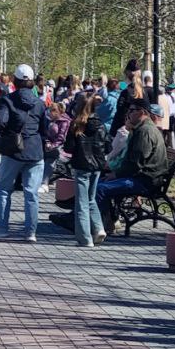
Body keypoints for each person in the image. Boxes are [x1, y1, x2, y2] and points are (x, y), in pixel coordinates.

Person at [0, 63, 50, 241]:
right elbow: (44, 128)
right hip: (35, 151)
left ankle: (2, 228)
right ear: (31, 82)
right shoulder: (39, 103)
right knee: (31, 194)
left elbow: (0, 121)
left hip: (14, 150)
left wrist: (8, 134)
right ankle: (30, 232)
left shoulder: (8, 100)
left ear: (14, 80)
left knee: (4, 190)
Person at [97, 99, 169, 232]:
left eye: (131, 110)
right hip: (142, 177)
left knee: (100, 188)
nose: (128, 114)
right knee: (98, 182)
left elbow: (136, 163)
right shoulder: (141, 129)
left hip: (146, 181)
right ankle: (108, 220)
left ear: (142, 112)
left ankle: (104, 224)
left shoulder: (145, 132)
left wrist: (116, 174)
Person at [64, 94, 109, 248]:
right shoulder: (100, 125)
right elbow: (107, 146)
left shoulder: (77, 125)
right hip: (97, 166)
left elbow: (68, 147)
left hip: (81, 166)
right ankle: (99, 227)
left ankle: (85, 238)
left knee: (81, 203)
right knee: (91, 199)